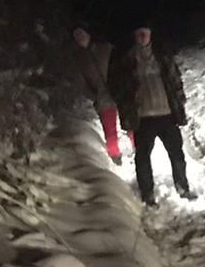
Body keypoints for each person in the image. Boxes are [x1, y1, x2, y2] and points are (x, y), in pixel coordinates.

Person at [110, 24, 191, 207]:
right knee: (143, 157)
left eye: (145, 33)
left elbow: (175, 80)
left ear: (151, 35)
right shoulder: (127, 60)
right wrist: (127, 105)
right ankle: (147, 194)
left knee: (177, 154)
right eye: (139, 34)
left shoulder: (162, 56)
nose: (142, 37)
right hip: (143, 117)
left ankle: (183, 187)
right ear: (134, 36)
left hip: (167, 114)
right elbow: (116, 85)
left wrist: (180, 103)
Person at [72, 27, 124, 164]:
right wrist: (93, 95)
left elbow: (120, 64)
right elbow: (80, 82)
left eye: (82, 33)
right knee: (110, 130)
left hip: (120, 92)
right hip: (102, 98)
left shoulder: (105, 49)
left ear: (88, 34)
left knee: (130, 123)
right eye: (76, 35)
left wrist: (124, 84)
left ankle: (138, 148)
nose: (80, 38)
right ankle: (115, 156)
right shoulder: (78, 58)